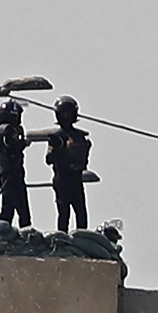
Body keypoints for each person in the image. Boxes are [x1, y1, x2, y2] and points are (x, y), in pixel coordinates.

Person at [45, 95, 92, 233]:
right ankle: (62, 240)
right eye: (64, 113)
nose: (66, 117)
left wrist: (85, 148)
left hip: (76, 178)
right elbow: (49, 159)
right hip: (62, 178)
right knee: (64, 214)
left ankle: (82, 240)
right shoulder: (56, 137)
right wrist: (64, 147)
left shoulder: (80, 136)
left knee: (81, 213)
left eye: (69, 113)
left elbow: (84, 159)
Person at [0, 99, 31, 228]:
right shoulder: (8, 130)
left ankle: (2, 234)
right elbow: (12, 145)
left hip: (4, 173)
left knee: (7, 209)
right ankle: (26, 237)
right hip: (13, 174)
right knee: (23, 211)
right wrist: (24, 143)